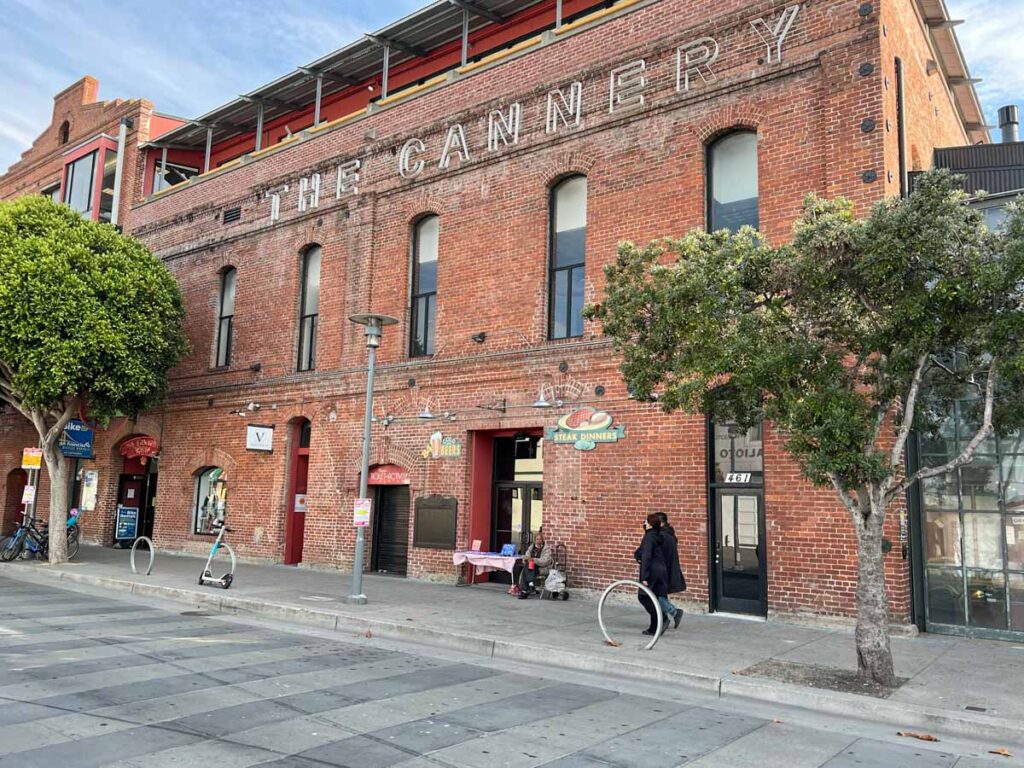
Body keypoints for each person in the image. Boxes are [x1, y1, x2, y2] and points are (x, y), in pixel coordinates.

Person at [635, 513, 669, 635]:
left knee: (644, 597)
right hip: (661, 569)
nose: (644, 523)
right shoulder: (658, 535)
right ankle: (653, 627)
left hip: (652, 571)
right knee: (653, 598)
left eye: (646, 522)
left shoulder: (649, 537)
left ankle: (663, 618)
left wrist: (644, 577)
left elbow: (647, 556)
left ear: (650, 524)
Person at [657, 512, 686, 629]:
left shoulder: (663, 536)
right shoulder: (669, 534)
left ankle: (673, 612)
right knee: (659, 594)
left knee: (656, 595)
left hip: (662, 570)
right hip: (666, 569)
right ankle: (665, 618)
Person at [517, 527, 553, 599]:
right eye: (537, 539)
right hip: (531, 567)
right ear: (535, 540)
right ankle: (530, 585)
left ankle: (525, 591)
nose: (539, 541)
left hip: (542, 568)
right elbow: (526, 556)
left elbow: (545, 561)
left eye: (540, 539)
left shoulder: (546, 549)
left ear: (542, 540)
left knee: (526, 570)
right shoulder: (531, 548)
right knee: (527, 566)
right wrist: (527, 559)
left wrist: (534, 560)